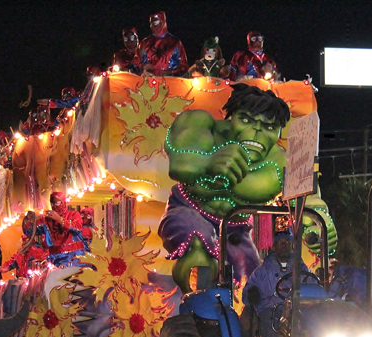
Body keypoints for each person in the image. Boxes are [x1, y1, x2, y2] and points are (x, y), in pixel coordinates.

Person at [160, 83, 336, 292]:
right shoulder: (202, 124)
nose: (256, 133)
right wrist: (208, 161)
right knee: (197, 245)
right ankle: (195, 310)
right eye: (247, 121)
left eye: (269, 127)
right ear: (231, 117)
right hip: (189, 211)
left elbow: (311, 199)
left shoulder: (280, 164)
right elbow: (179, 162)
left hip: (236, 229)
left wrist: (320, 221)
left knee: (254, 283)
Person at [38, 192, 85, 267]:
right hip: (55, 258)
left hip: (73, 256)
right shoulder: (47, 220)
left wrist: (60, 220)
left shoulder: (73, 215)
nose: (54, 206)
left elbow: (77, 229)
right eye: (52, 204)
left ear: (63, 202)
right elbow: (43, 239)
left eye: (57, 203)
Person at [139, 11, 188, 77]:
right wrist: (143, 66)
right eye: (152, 23)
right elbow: (136, 62)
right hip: (150, 83)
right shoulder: (145, 43)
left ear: (163, 22)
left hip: (171, 83)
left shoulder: (175, 43)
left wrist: (171, 71)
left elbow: (184, 66)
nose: (154, 26)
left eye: (156, 22)